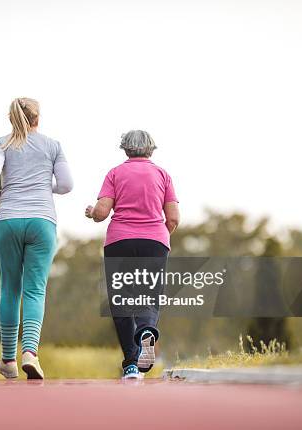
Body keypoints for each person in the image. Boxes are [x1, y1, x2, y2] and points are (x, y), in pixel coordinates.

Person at [0, 97, 73, 379]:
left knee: (10, 288)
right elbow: (68, 184)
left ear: (12, 119)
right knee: (35, 289)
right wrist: (46, 187)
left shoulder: (2, 143)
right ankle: (30, 353)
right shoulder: (52, 145)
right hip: (42, 221)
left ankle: (8, 360)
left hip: (8, 218)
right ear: (38, 118)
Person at [85, 130, 179, 379]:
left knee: (122, 300)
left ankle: (131, 364)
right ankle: (147, 331)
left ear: (125, 149)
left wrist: (92, 212)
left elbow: (102, 212)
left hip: (120, 242)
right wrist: (160, 235)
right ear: (151, 149)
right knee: (149, 295)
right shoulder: (163, 175)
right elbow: (173, 218)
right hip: (154, 242)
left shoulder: (115, 173)